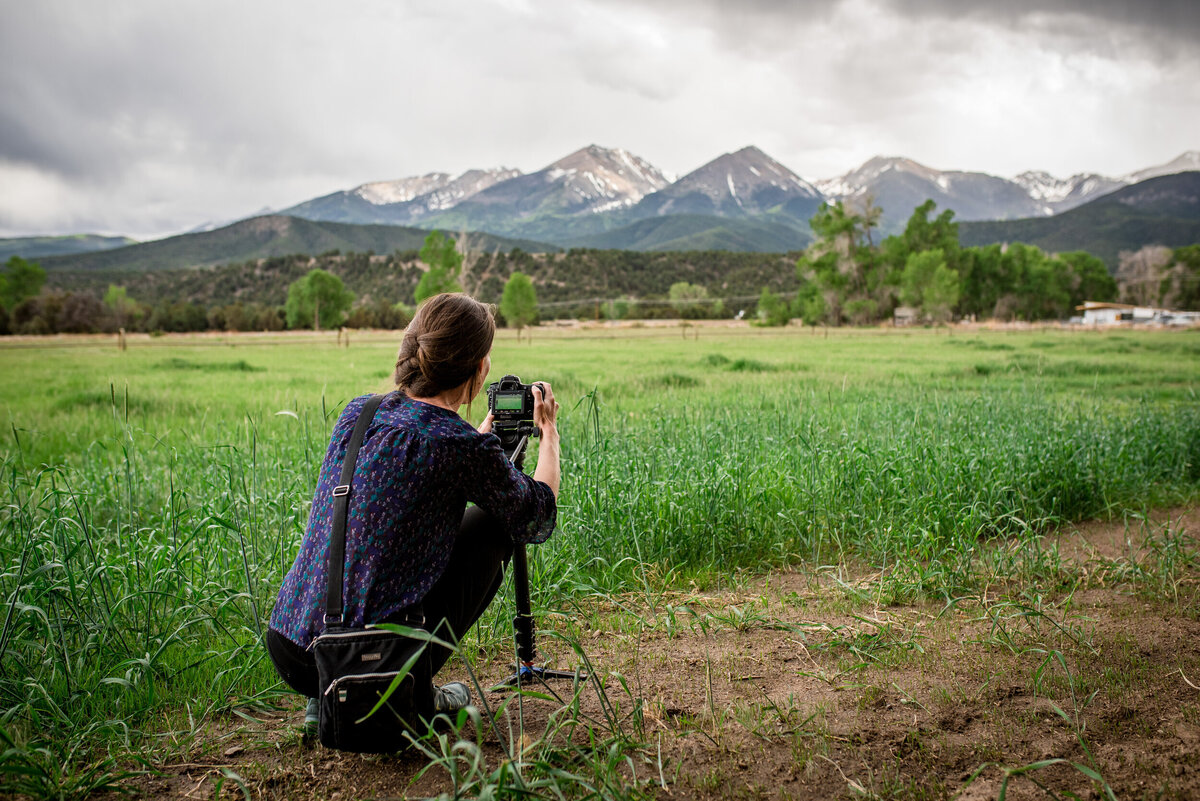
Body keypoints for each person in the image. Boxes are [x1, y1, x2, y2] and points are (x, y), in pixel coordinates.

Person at [266, 292, 560, 728]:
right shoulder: (457, 446)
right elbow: (535, 514)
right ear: (479, 371)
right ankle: (411, 687)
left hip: (290, 647)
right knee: (497, 527)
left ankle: (321, 695)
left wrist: (480, 440)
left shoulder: (359, 413)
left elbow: (437, 450)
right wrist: (548, 430)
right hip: (369, 658)